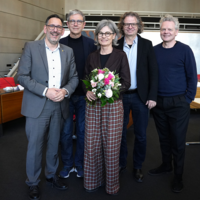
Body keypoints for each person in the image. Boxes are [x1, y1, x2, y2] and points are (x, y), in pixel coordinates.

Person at [17, 14, 79, 200]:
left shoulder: (67, 51)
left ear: (62, 30)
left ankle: (51, 176)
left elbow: (74, 77)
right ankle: (33, 183)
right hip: (37, 105)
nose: (55, 30)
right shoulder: (31, 47)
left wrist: (65, 92)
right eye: (52, 26)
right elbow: (21, 76)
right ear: (45, 28)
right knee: (35, 146)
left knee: (54, 144)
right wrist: (45, 91)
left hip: (59, 105)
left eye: (59, 27)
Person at [149, 14, 197, 193]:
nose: (166, 32)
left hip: (179, 103)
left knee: (177, 141)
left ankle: (178, 176)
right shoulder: (154, 51)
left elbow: (192, 76)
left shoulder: (185, 50)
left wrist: (187, 99)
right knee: (163, 138)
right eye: (163, 29)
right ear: (160, 31)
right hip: (158, 103)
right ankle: (165, 165)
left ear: (176, 31)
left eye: (170, 29)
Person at [83, 20, 130, 195]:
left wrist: (110, 90)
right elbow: (85, 79)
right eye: (101, 33)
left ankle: (111, 185)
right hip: (93, 105)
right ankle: (92, 181)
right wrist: (88, 90)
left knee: (111, 146)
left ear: (114, 36)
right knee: (92, 144)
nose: (104, 36)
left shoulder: (120, 56)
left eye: (107, 33)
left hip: (113, 105)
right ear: (97, 36)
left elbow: (126, 82)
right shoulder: (91, 56)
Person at [116, 12, 158, 182]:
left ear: (139, 26)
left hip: (141, 97)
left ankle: (138, 165)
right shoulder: (116, 44)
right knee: (120, 133)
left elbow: (154, 73)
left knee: (140, 134)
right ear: (122, 26)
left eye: (133, 24)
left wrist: (152, 96)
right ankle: (121, 163)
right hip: (120, 96)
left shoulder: (147, 45)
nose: (130, 26)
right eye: (127, 24)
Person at [59, 9, 96, 178]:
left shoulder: (91, 44)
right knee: (66, 133)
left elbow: (95, 69)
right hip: (65, 96)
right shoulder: (60, 42)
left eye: (78, 21)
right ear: (67, 24)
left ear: (84, 24)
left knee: (82, 132)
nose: (75, 24)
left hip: (84, 96)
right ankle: (67, 164)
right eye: (72, 21)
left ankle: (80, 164)